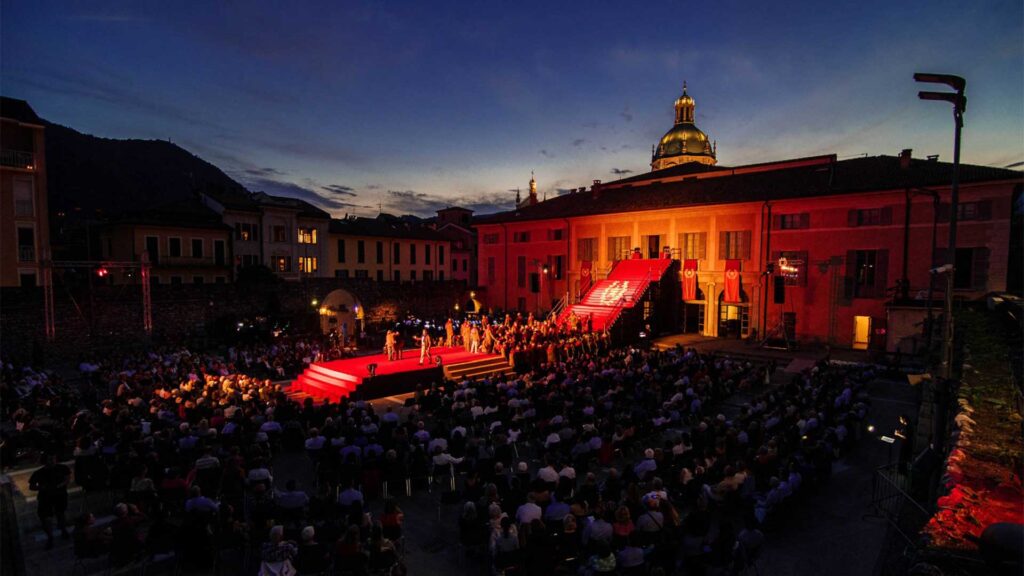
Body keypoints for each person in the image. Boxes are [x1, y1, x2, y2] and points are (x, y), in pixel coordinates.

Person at [28, 453, 70, 548]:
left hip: (59, 495)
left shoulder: (63, 468)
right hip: (45, 497)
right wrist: (42, 488)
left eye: (53, 459)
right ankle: (50, 537)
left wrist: (58, 486)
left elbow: (67, 479)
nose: (52, 461)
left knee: (60, 514)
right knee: (46, 518)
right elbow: (31, 486)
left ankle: (63, 530)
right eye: (50, 459)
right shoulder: (39, 473)